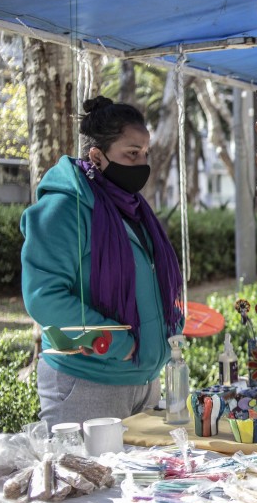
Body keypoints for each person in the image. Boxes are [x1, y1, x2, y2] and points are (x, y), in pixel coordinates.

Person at [21, 96, 183, 431]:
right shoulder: (62, 210)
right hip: (87, 382)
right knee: (89, 482)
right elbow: (44, 297)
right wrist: (119, 344)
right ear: (97, 156)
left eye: (145, 153)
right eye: (131, 153)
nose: (141, 163)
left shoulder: (134, 210)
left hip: (144, 382)